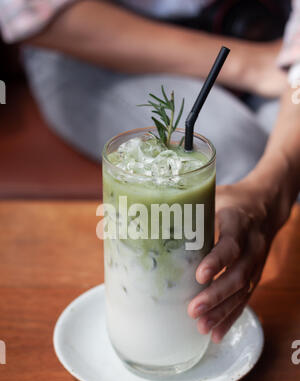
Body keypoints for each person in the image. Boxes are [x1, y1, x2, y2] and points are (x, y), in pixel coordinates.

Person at [1, 0, 299, 342]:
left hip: (272, 38)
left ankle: (200, 336)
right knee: (236, 148)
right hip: (91, 42)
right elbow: (29, 13)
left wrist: (271, 188)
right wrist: (248, 65)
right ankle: (154, 339)